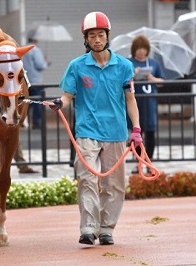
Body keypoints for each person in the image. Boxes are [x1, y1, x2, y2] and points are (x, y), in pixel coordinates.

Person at [50, 11, 142, 246]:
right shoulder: (77, 66)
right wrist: (61, 103)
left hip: (116, 132)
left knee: (115, 185)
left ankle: (106, 229)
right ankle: (89, 228)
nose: (97, 39)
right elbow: (68, 96)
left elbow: (130, 99)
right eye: (92, 36)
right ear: (86, 39)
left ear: (107, 36)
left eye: (101, 34)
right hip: (87, 130)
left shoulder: (124, 66)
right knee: (87, 179)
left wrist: (136, 129)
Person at [127, 34, 164, 173]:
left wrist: (151, 78)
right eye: (138, 48)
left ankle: (149, 162)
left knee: (150, 133)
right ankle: (139, 162)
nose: (141, 51)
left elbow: (162, 82)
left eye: (144, 48)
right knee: (136, 134)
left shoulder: (153, 63)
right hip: (134, 104)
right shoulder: (128, 63)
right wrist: (133, 75)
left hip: (149, 103)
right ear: (134, 49)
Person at [22, 32, 49, 129]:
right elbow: (40, 65)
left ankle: (24, 121)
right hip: (36, 80)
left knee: (27, 101)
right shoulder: (35, 50)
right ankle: (36, 122)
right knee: (37, 102)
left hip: (26, 80)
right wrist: (45, 63)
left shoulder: (23, 49)